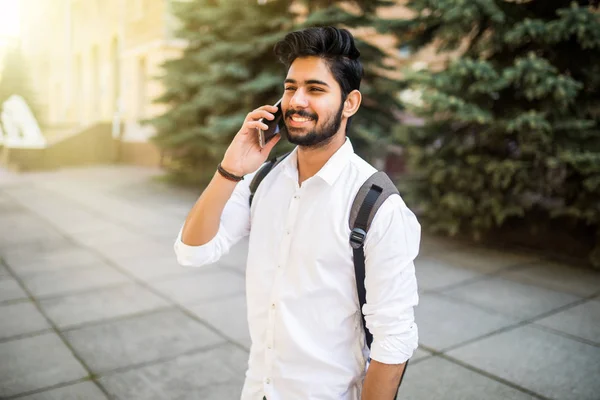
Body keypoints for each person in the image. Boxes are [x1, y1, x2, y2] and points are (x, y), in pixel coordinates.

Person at [174, 26, 420, 400]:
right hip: (258, 389)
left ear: (350, 103)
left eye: (315, 89)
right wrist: (230, 170)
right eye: (290, 88)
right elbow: (193, 251)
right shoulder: (265, 180)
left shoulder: (377, 206)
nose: (296, 101)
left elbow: (394, 338)